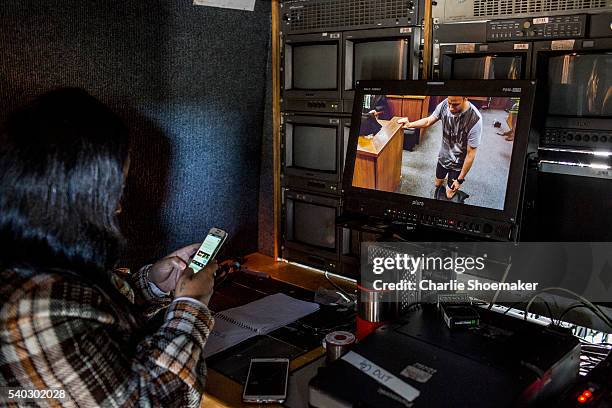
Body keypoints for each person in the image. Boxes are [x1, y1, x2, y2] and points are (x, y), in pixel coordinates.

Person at [0, 88, 216, 407]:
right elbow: (153, 401)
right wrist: (192, 304)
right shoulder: (32, 312)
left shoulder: (34, 260)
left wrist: (152, 284)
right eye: (112, 192)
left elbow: (88, 307)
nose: (117, 208)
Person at [398, 96, 482, 199]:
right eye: (449, 102)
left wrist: (460, 180)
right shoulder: (444, 105)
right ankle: (447, 181)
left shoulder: (475, 119)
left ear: (465, 98)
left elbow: (471, 154)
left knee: (449, 195)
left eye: (455, 104)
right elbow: (428, 121)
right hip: (443, 157)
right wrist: (410, 124)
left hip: (458, 164)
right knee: (437, 184)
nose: (450, 108)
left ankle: (452, 183)